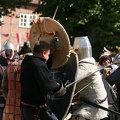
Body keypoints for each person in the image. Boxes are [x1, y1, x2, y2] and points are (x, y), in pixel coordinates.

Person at [20, 41, 66, 120]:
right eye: (48, 54)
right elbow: (47, 85)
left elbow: (42, 70)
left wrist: (51, 55)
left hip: (25, 108)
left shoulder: (26, 61)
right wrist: (59, 86)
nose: (48, 57)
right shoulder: (38, 65)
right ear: (43, 53)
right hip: (36, 110)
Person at [70, 36, 108, 120]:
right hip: (87, 102)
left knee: (76, 118)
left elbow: (71, 80)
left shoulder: (86, 66)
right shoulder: (87, 64)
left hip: (96, 106)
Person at [1, 41, 33, 120]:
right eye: (9, 51)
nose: (11, 53)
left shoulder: (15, 65)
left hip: (13, 100)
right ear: (5, 51)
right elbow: (4, 87)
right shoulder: (2, 65)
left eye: (12, 51)